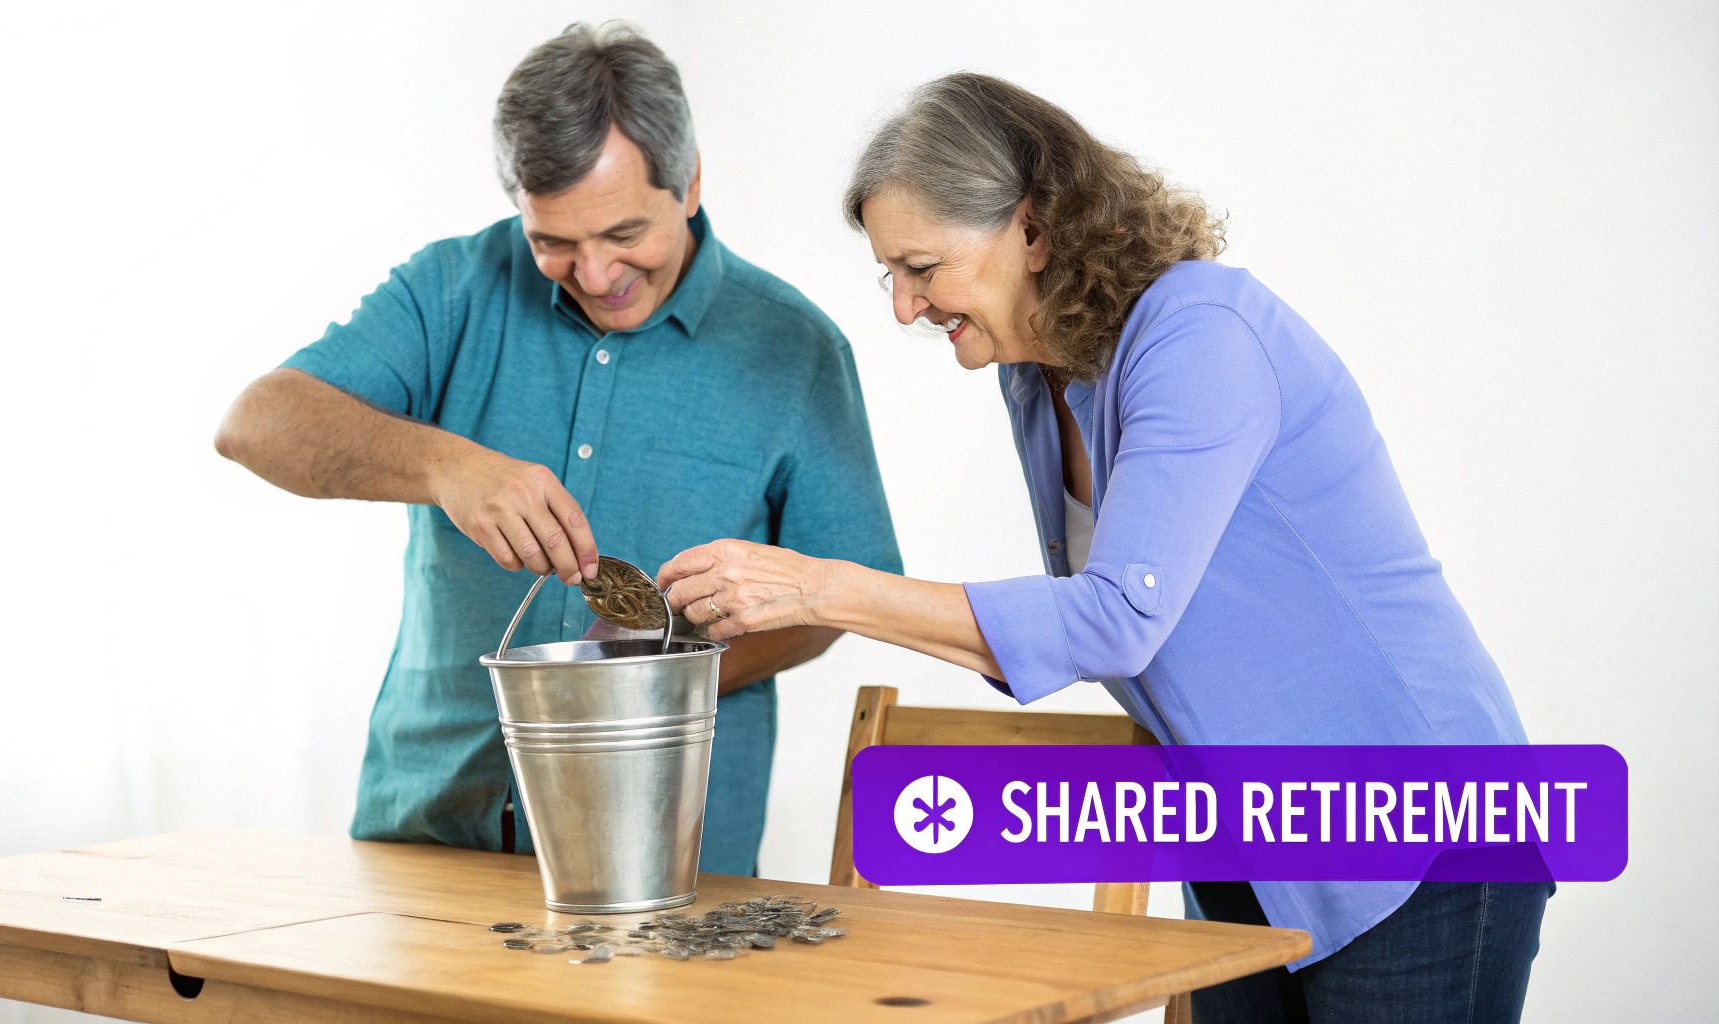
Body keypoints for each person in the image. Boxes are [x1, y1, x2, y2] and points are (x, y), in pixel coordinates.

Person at [656, 72, 1546, 1020]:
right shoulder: (1035, 377)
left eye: (922, 267)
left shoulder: (1201, 330)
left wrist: (820, 588)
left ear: (1032, 230)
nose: (904, 308)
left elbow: (1120, 619)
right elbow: (1083, 636)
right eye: (891, 274)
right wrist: (820, 595)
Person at [213, 22, 899, 876]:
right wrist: (449, 467)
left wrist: (651, 680)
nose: (597, 272)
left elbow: (848, 592)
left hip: (666, 854)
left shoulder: (794, 348)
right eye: (554, 243)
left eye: (623, 234)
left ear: (688, 183)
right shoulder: (451, 288)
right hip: (427, 834)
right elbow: (256, 422)